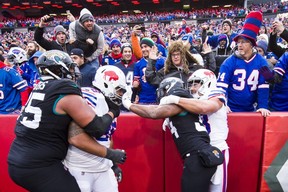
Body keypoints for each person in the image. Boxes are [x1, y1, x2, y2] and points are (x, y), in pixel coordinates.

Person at [8, 50, 126, 192]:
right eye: (69, 67)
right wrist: (113, 111)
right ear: (57, 69)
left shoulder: (41, 87)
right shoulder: (64, 90)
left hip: (20, 158)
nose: (73, 71)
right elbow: (97, 128)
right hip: (38, 164)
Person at [122, 77, 222, 192]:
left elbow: (154, 112)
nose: (162, 94)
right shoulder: (185, 104)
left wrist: (129, 105)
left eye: (164, 91)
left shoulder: (179, 102)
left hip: (197, 157)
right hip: (201, 155)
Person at [159, 69, 229, 192]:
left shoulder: (215, 93)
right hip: (198, 152)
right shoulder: (191, 100)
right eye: (190, 84)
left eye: (196, 84)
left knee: (216, 189)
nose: (192, 88)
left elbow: (205, 107)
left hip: (217, 148)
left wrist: (176, 100)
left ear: (207, 83)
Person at [63, 65, 127, 192]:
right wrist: (111, 154)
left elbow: (107, 136)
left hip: (103, 169)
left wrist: (112, 164)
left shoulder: (109, 104)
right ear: (107, 84)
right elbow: (76, 138)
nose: (120, 95)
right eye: (119, 90)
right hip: (81, 168)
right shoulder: (91, 96)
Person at [217, 11, 270, 117]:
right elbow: (221, 87)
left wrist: (262, 106)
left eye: (243, 42)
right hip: (230, 109)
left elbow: (264, 86)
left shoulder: (262, 63)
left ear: (251, 44)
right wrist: (223, 104)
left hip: (251, 110)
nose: (239, 45)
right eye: (238, 42)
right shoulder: (229, 62)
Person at [133, 37, 165, 104]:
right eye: (142, 47)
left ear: (152, 47)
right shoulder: (138, 64)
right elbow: (136, 80)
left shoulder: (161, 61)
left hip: (158, 99)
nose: (143, 49)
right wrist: (136, 83)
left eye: (146, 46)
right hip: (143, 99)